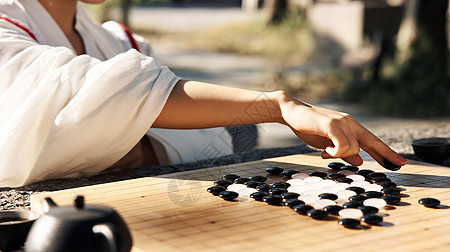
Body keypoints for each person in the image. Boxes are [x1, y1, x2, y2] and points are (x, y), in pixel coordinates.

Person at [0, 0, 407, 187]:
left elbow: (229, 135)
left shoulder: (122, 43)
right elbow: (32, 137)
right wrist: (278, 105)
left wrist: (142, 147)